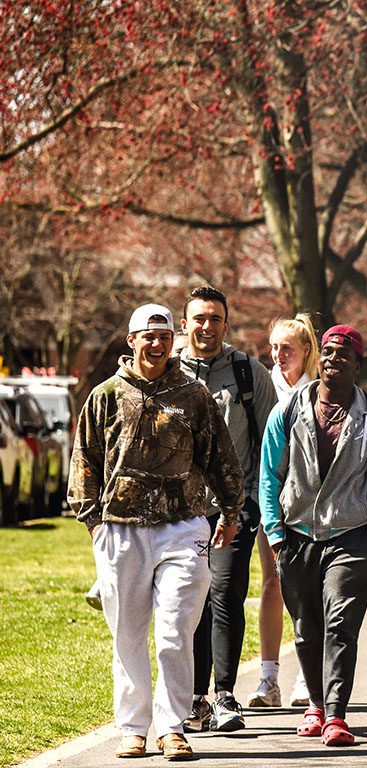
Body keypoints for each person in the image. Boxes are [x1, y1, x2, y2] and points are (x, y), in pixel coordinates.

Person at [69, 303, 245, 761]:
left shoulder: (194, 394)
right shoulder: (105, 395)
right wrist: (94, 523)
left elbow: (221, 457)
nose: (157, 343)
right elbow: (83, 460)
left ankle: (172, 727)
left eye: (164, 336)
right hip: (120, 530)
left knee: (174, 632)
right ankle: (132, 728)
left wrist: (230, 511)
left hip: (184, 527)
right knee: (128, 634)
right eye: (148, 336)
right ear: (132, 341)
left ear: (174, 341)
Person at [259, 324, 367, 746]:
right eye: (328, 352)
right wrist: (274, 531)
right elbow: (270, 476)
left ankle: (337, 716)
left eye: (344, 354)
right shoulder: (287, 412)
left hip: (353, 536)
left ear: (358, 364)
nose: (333, 359)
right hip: (296, 535)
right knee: (307, 628)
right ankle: (316, 706)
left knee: (340, 625)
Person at [177, 286, 277, 734]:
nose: (206, 326)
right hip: (177, 514)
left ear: (226, 323)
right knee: (188, 601)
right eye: (199, 318)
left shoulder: (247, 372)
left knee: (225, 596)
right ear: (185, 324)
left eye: (215, 318)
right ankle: (194, 697)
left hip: (232, 508)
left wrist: (253, 501)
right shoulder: (168, 371)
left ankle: (224, 695)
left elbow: (272, 444)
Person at [247, 313, 321, 709]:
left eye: (286, 348)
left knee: (306, 592)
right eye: (273, 347)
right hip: (270, 500)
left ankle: (308, 680)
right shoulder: (263, 386)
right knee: (272, 584)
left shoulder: (322, 390)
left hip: (311, 506)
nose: (277, 355)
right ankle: (268, 679)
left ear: (306, 351)